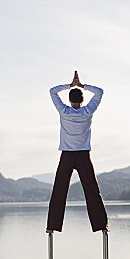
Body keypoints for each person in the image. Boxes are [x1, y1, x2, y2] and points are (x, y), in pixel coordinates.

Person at [46, 71, 109, 234]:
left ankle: (52, 226)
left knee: (59, 189)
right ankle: (102, 225)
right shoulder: (87, 111)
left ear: (69, 100)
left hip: (67, 155)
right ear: (82, 100)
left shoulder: (64, 111)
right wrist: (82, 86)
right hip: (83, 155)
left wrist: (70, 85)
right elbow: (100, 92)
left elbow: (52, 91)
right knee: (92, 190)